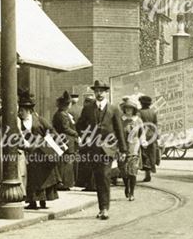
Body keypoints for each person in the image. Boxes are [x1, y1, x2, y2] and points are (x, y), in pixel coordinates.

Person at [76, 80, 126, 220]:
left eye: (102, 91)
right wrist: (85, 137)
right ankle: (102, 207)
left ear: (106, 92)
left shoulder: (114, 109)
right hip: (93, 149)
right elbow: (79, 126)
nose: (99, 94)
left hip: (108, 150)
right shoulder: (88, 108)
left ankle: (104, 208)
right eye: (97, 91)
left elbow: (119, 130)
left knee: (104, 176)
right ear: (94, 92)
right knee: (98, 178)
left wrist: (123, 149)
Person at [18, 90, 59, 210]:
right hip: (29, 154)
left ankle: (43, 201)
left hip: (42, 153)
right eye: (19, 111)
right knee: (32, 178)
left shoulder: (39, 120)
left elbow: (52, 131)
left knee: (43, 178)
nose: (20, 113)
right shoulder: (19, 123)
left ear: (29, 111)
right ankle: (32, 202)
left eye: (22, 111)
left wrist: (45, 141)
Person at [52, 90, 78, 190]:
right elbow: (65, 128)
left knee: (66, 162)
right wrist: (76, 133)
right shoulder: (62, 114)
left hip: (66, 140)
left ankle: (64, 183)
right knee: (66, 163)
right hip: (66, 140)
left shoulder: (63, 114)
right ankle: (64, 183)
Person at [119, 96, 142, 200]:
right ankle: (126, 186)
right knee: (123, 170)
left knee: (132, 171)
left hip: (134, 147)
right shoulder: (121, 120)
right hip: (122, 147)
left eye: (130, 108)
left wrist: (142, 142)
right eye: (127, 108)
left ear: (134, 110)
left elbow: (142, 134)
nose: (128, 110)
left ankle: (132, 192)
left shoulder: (138, 121)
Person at [138, 95, 158, 182]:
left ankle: (147, 174)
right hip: (152, 135)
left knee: (144, 154)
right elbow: (156, 124)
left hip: (143, 135)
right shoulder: (153, 112)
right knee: (151, 154)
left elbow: (138, 125)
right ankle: (149, 172)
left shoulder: (139, 112)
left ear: (141, 103)